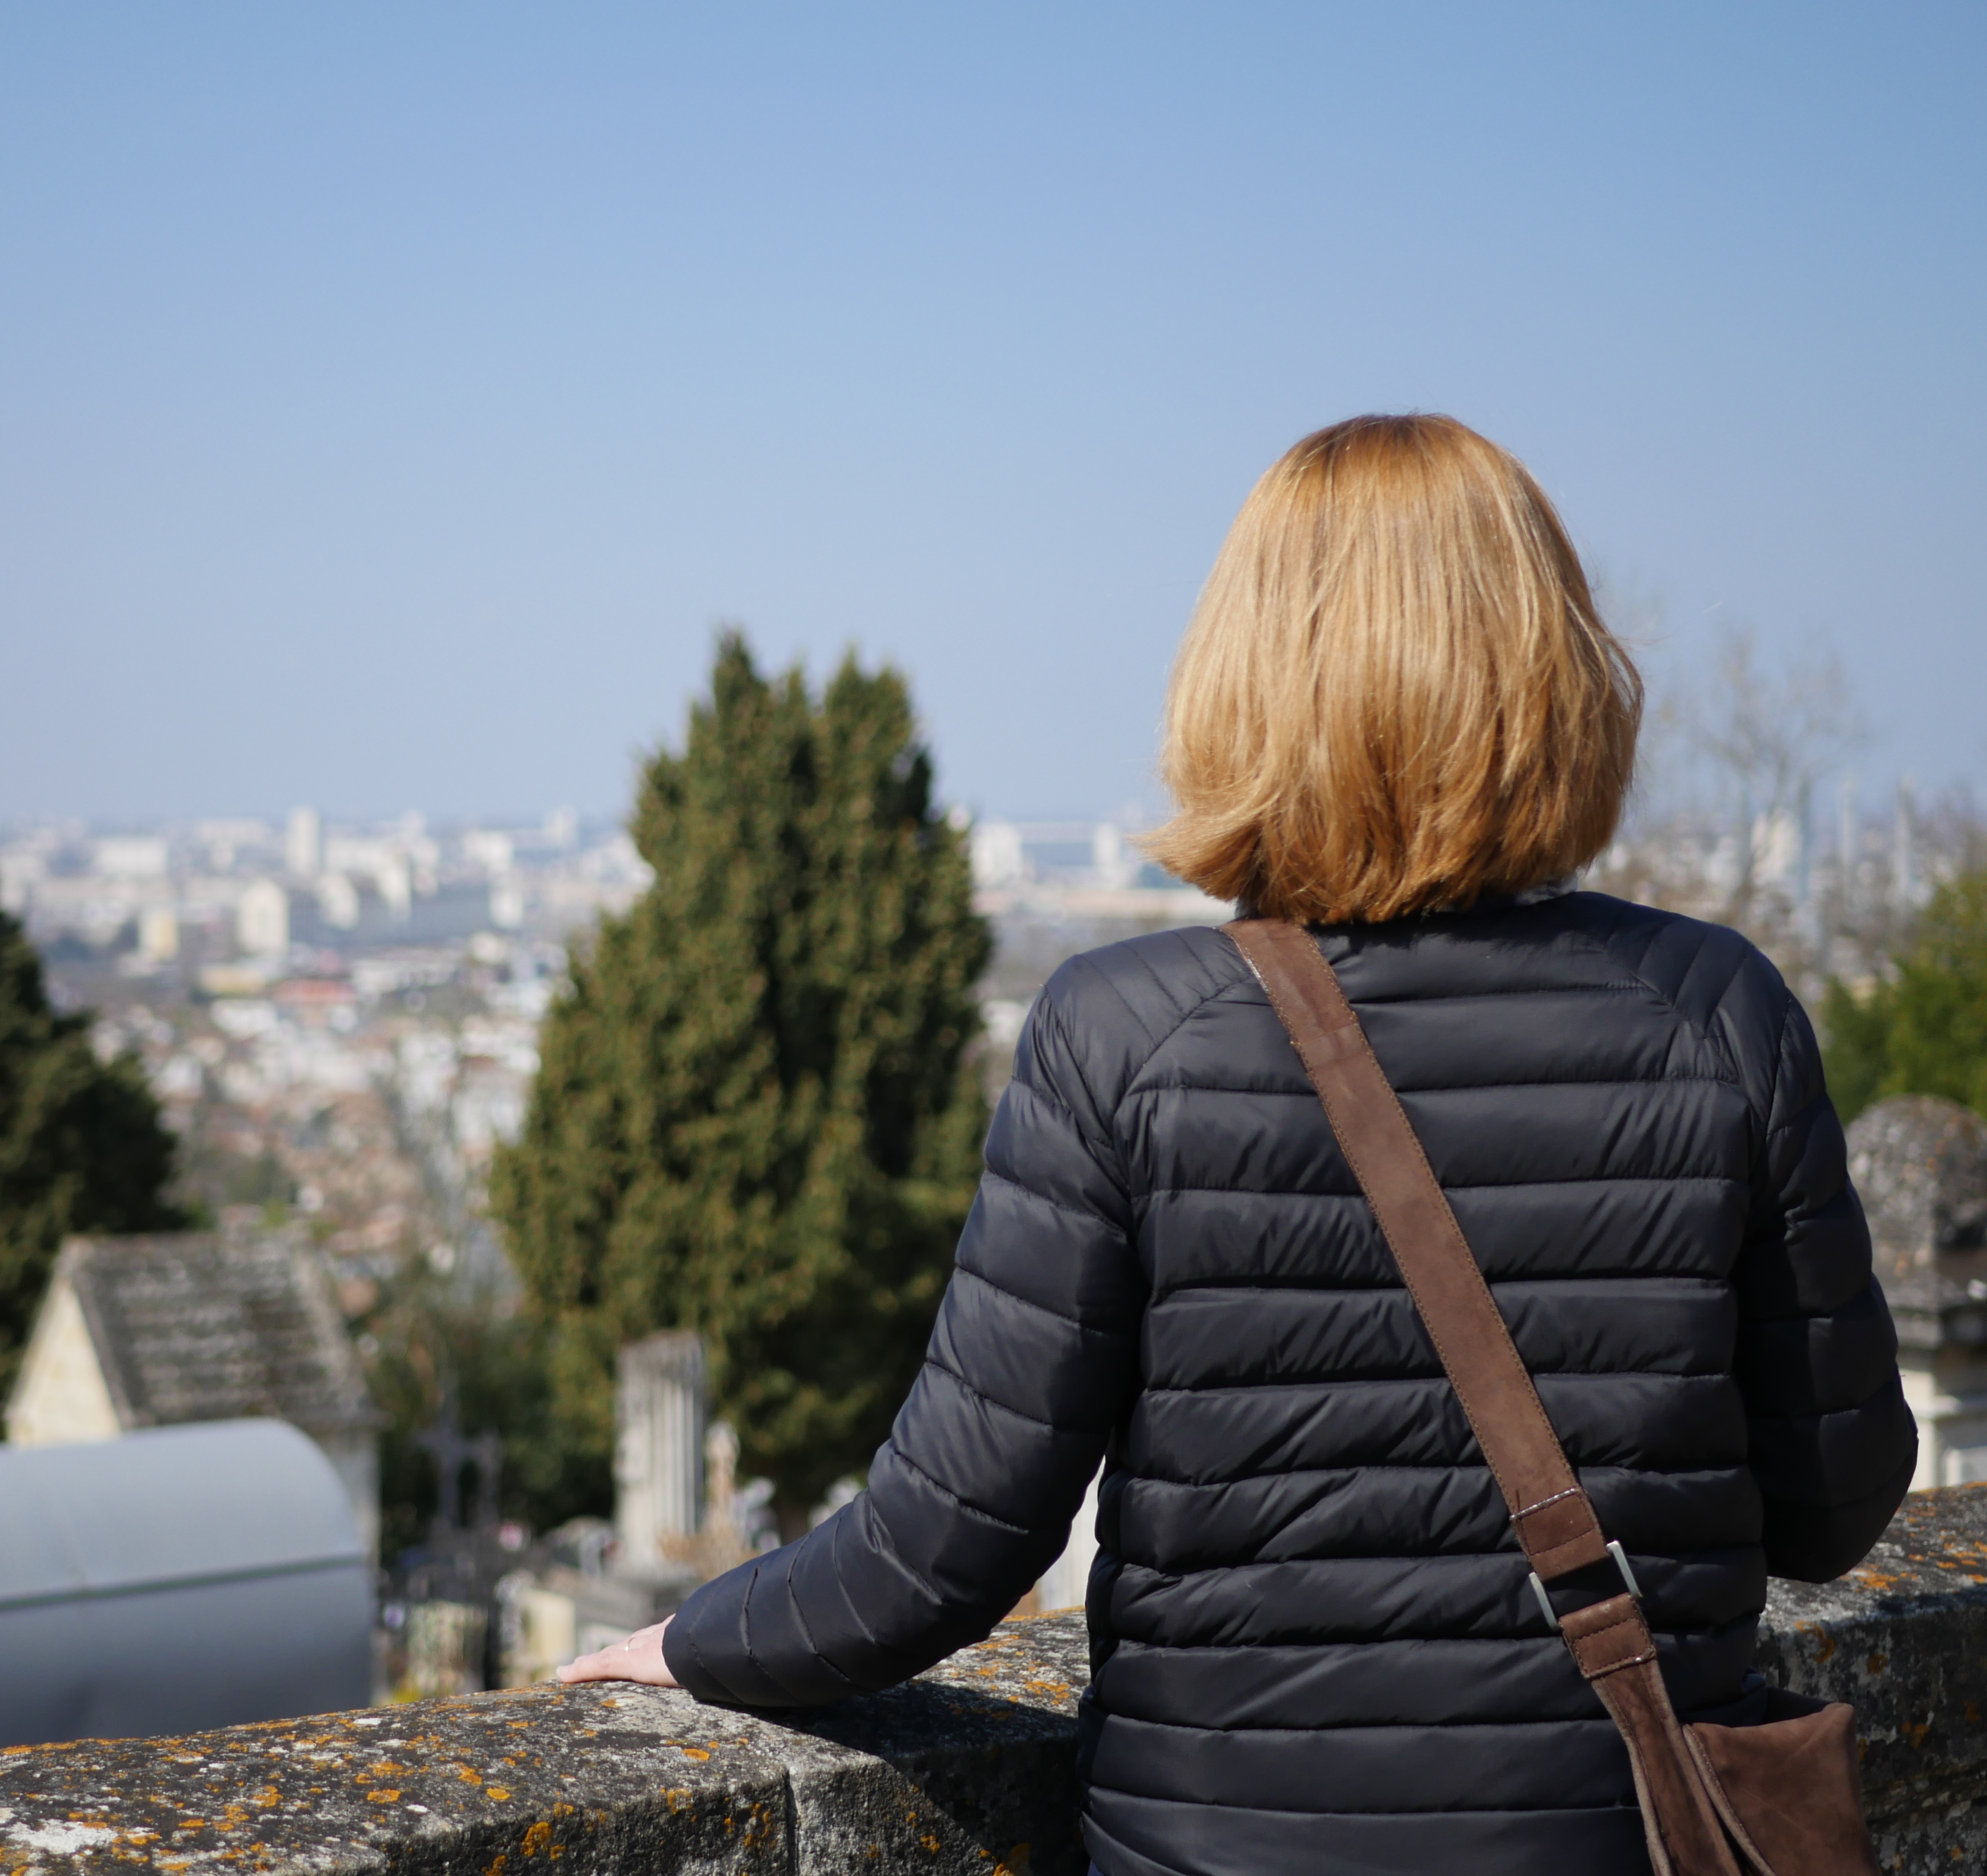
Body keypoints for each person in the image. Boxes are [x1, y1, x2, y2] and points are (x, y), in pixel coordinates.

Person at [557, 413, 1917, 1876]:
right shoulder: (1720, 1013)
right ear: (1557, 673)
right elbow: (1835, 1501)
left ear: (1247, 683)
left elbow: (941, 1546)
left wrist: (697, 1641)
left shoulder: (1129, 1034)